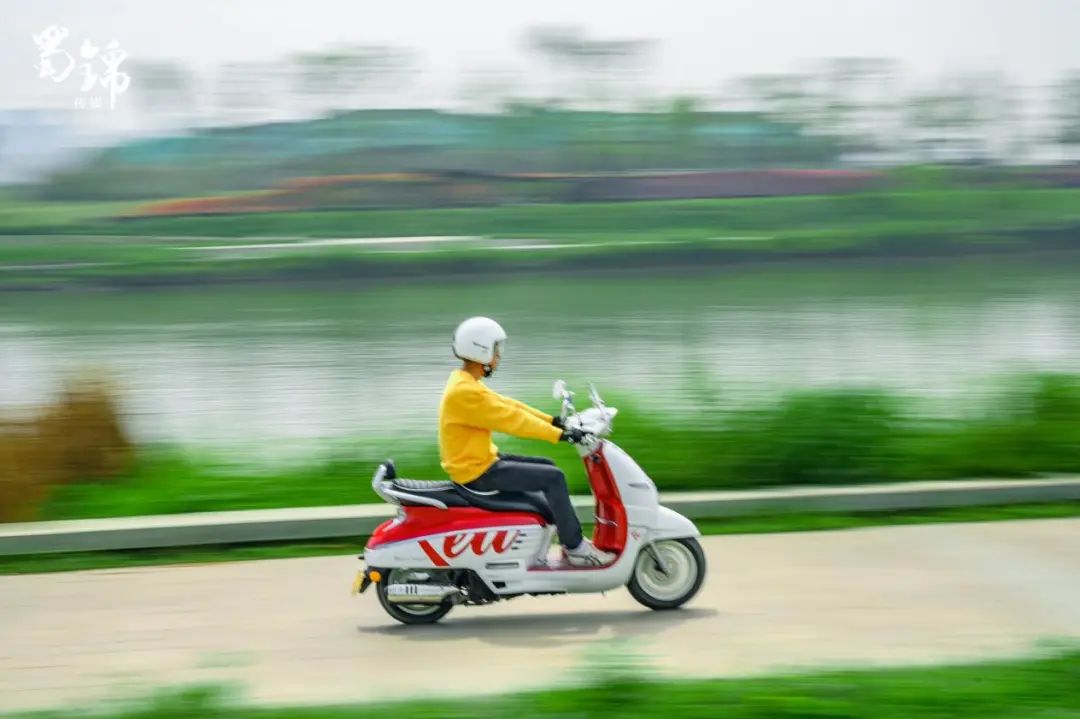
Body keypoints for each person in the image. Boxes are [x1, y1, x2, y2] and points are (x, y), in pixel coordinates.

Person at [439, 316, 617, 567]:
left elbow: (508, 405)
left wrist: (553, 421)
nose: (499, 356)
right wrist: (560, 435)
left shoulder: (464, 382)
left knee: (547, 466)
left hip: (479, 462)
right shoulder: (465, 392)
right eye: (496, 350)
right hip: (477, 473)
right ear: (482, 350)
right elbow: (513, 420)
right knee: (553, 478)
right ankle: (576, 548)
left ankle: (550, 533)